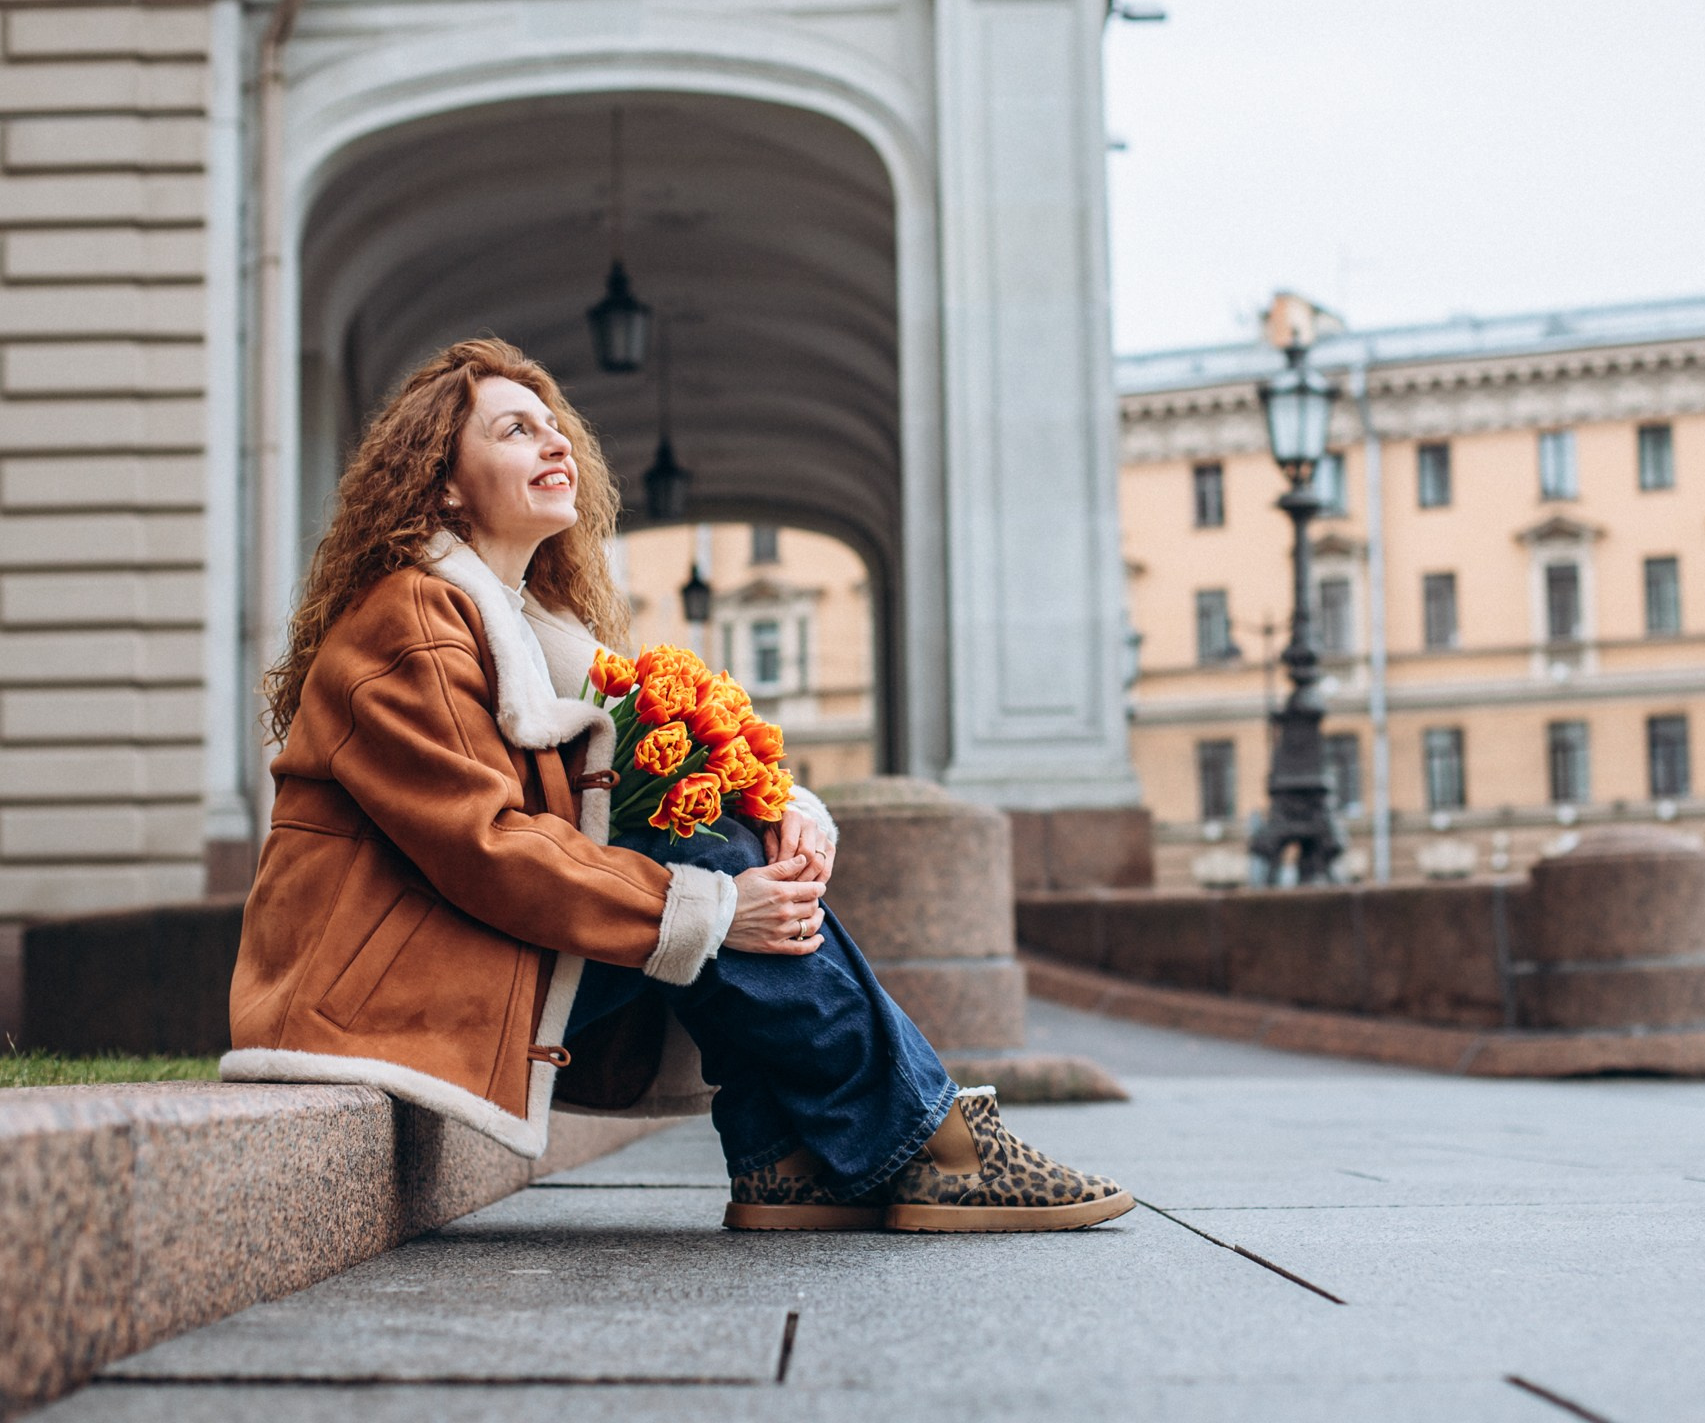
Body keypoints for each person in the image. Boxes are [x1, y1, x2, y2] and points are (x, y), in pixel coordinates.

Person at [221, 338, 1130, 1233]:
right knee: (705, 863)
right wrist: (717, 909)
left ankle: (792, 1159)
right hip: (370, 984)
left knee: (713, 837)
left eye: (554, 426)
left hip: (456, 947)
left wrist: (783, 813)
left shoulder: (521, 618)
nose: (554, 443)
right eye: (513, 431)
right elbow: (484, 842)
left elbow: (668, 739)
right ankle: (919, 1145)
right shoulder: (412, 616)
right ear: (445, 482)